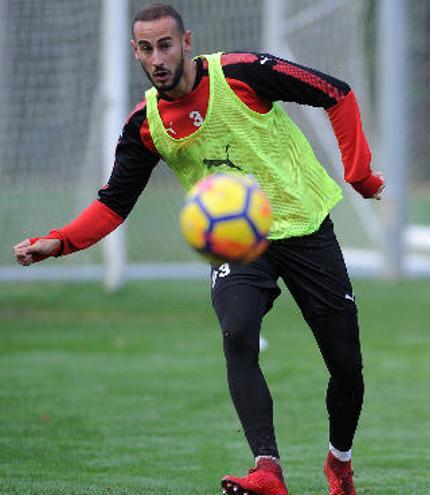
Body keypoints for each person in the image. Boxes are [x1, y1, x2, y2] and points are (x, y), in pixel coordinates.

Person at [12, 4, 382, 495]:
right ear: (135, 53)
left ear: (187, 43)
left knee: (346, 368)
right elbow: (113, 204)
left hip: (305, 226)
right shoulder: (145, 124)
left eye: (165, 45)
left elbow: (337, 93)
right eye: (146, 49)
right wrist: (58, 242)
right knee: (237, 332)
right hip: (239, 244)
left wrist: (360, 175)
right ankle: (267, 469)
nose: (158, 58)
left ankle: (339, 460)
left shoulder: (243, 74)